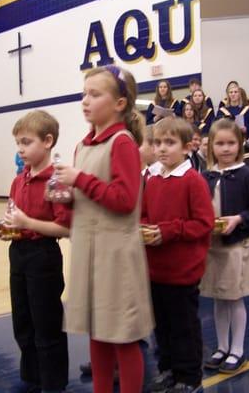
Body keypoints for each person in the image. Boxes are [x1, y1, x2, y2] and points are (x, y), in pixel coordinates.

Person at [54, 65, 153, 393]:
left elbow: (124, 200)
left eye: (95, 94)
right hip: (88, 250)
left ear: (120, 104)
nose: (85, 101)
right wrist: (63, 196)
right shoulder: (82, 146)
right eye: (84, 93)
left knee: (122, 338)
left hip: (115, 254)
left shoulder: (122, 143)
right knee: (97, 334)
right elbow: (85, 197)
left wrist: (79, 180)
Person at [0, 110, 70, 393]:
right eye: (18, 143)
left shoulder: (58, 181)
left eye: (26, 142)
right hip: (19, 253)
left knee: (46, 323)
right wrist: (9, 229)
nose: (20, 149)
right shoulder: (19, 180)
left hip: (44, 256)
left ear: (48, 141)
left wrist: (27, 224)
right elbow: (13, 216)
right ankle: (32, 376)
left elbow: (64, 228)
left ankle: (53, 383)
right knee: (23, 322)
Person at [141, 117, 214, 393]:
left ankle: (189, 378)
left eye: (169, 143)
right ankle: (168, 369)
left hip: (182, 270)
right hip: (156, 268)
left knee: (184, 328)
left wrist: (167, 231)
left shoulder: (192, 181)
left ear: (186, 147)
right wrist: (144, 227)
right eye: (158, 142)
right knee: (162, 327)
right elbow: (146, 213)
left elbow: (203, 223)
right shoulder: (153, 179)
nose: (161, 148)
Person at [201, 119, 249, 374]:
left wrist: (239, 219)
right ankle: (221, 347)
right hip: (213, 246)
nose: (225, 148)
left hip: (235, 246)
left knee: (234, 298)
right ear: (211, 147)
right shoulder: (207, 176)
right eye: (220, 143)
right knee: (218, 299)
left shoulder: (246, 175)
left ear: (239, 145)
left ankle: (237, 349)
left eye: (231, 143)